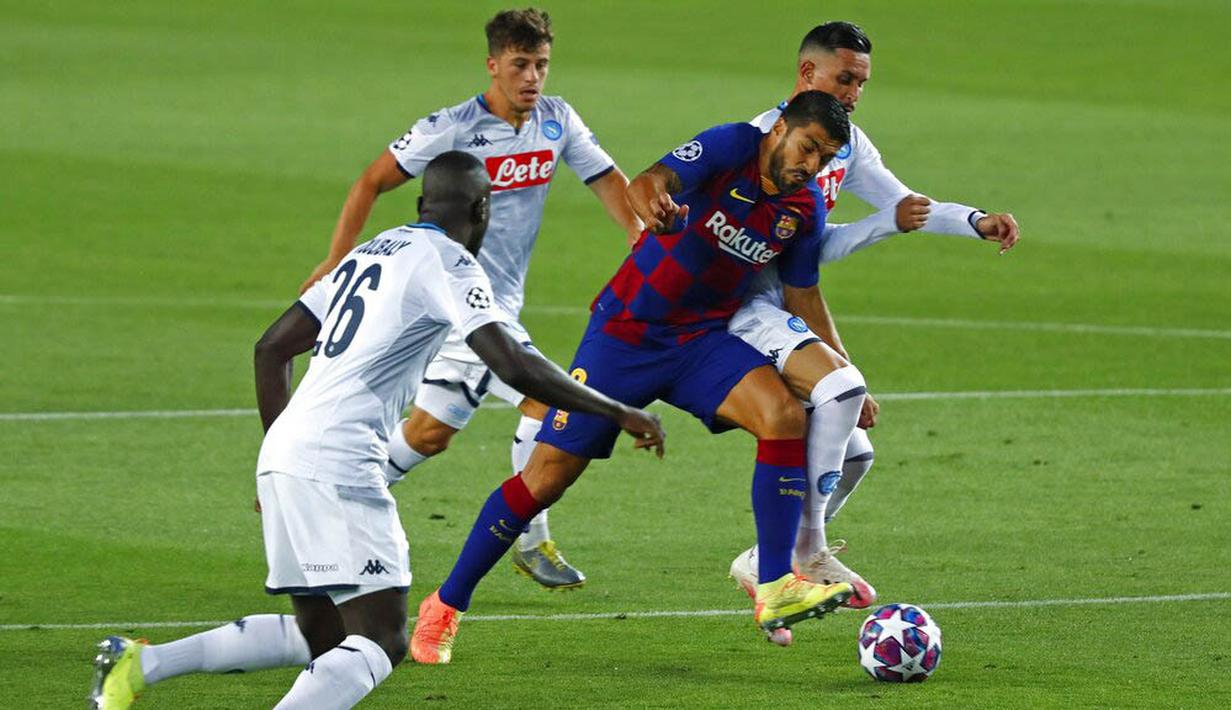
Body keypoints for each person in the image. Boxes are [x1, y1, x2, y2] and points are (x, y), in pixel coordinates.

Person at [87, 152, 664, 710]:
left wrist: (275, 453)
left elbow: (271, 349)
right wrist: (614, 409)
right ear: (484, 210)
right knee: (381, 641)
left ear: (422, 201)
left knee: (322, 636)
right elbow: (510, 362)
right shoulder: (450, 262)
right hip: (338, 464)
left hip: (286, 455)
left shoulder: (369, 251)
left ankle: (140, 664)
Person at [410, 91, 863, 665]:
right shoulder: (731, 145)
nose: (811, 165)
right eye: (807, 147)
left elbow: (803, 292)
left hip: (699, 340)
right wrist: (657, 207)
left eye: (824, 158)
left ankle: (774, 585)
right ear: (779, 130)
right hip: (625, 335)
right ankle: (445, 606)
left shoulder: (803, 209)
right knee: (545, 480)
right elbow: (645, 183)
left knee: (783, 416)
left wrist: (843, 365)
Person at [301, 8, 644, 589]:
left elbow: (608, 179)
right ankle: (532, 541)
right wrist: (335, 258)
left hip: (492, 304)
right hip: (461, 302)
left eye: (541, 65)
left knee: (429, 434)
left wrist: (641, 240)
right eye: (520, 65)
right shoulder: (451, 128)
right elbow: (371, 180)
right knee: (543, 405)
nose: (532, 77)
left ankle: (325, 498)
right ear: (492, 65)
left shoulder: (557, 122)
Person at [726, 21, 1021, 624]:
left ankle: (768, 556)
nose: (855, 92)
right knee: (843, 390)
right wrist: (881, 226)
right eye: (845, 79)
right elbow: (793, 254)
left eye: (862, 81)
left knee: (855, 454)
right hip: (737, 306)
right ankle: (797, 554)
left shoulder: (846, 142)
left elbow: (899, 202)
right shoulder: (768, 142)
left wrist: (974, 221)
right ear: (808, 74)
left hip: (782, 302)